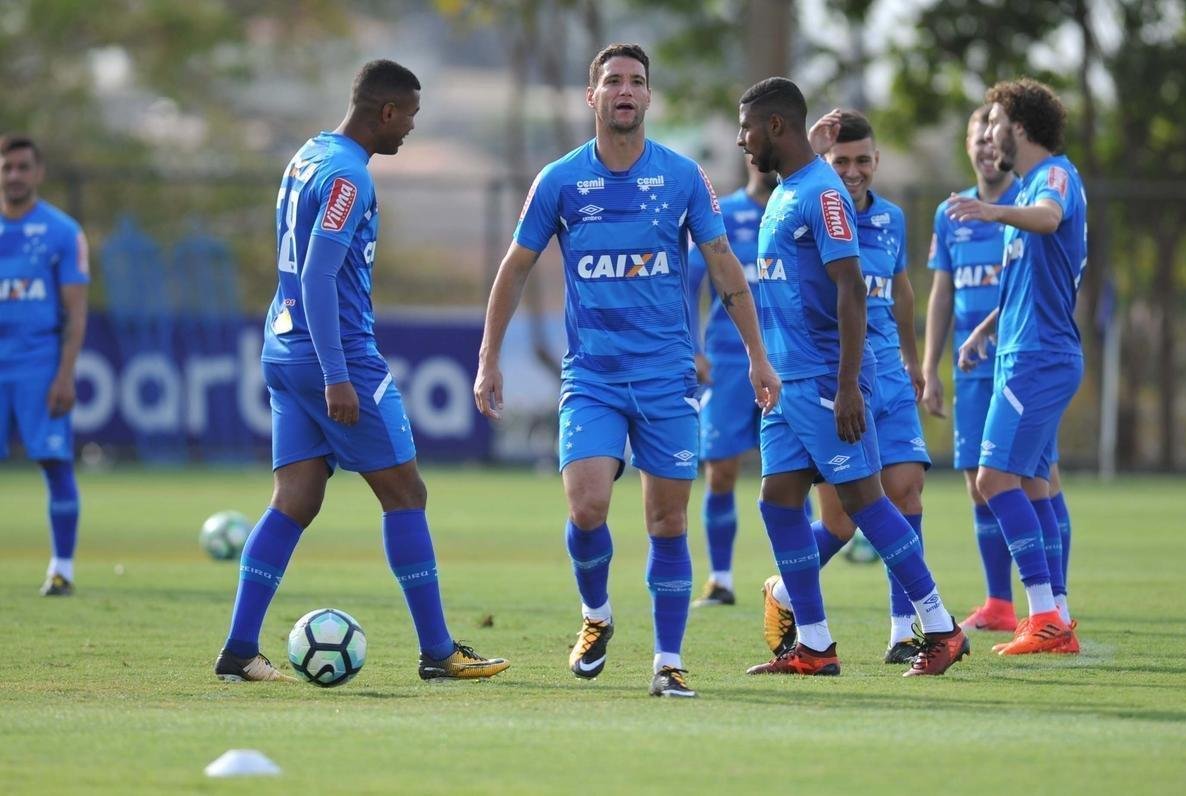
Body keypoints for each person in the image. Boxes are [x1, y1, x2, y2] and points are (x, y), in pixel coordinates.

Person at [474, 44, 780, 698]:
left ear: (648, 98)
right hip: (592, 377)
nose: (624, 90)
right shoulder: (559, 180)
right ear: (592, 97)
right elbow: (515, 267)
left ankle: (668, 662)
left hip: (669, 378)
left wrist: (757, 355)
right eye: (612, 80)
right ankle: (596, 615)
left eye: (636, 82)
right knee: (587, 507)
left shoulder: (682, 177)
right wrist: (487, 358)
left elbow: (724, 262)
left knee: (667, 522)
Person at [214, 59, 509, 683]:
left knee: (294, 500)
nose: (409, 130)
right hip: (335, 355)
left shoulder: (309, 155)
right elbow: (320, 275)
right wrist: (337, 374)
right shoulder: (351, 178)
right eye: (409, 116)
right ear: (385, 112)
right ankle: (438, 652)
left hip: (282, 346)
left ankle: (240, 649)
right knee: (407, 494)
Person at [735, 77, 967, 678]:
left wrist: (844, 387)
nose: (742, 139)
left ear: (776, 128)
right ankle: (814, 644)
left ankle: (940, 627)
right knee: (779, 501)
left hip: (820, 378)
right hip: (784, 384)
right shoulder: (787, 189)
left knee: (865, 501)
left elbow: (852, 289)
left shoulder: (822, 193)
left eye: (749, 127)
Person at [760, 110, 933, 664]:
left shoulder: (893, 220)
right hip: (832, 377)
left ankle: (906, 630)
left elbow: (899, 291)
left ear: (877, 162)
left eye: (863, 161)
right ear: (827, 163)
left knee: (901, 491)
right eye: (842, 161)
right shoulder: (816, 203)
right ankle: (790, 597)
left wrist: (913, 358)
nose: (853, 171)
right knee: (839, 516)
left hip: (878, 376)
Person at [950, 77, 1086, 655]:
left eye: (998, 122)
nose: (990, 131)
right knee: (1031, 483)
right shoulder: (1031, 182)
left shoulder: (1051, 177)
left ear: (1021, 130)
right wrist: (984, 331)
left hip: (1039, 356)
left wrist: (991, 210)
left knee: (992, 480)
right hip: (1020, 351)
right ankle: (1055, 614)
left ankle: (1046, 617)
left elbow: (1050, 218)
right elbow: (1024, 284)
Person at [923, 106, 1022, 632]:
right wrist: (931, 365)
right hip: (969, 365)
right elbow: (942, 292)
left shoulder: (1026, 204)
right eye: (976, 137)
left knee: (1032, 479)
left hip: (1020, 361)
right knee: (976, 481)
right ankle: (1000, 603)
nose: (985, 146)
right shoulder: (951, 212)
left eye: (993, 136)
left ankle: (1053, 601)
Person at [686, 157, 777, 608]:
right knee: (719, 471)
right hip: (726, 360)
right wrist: (694, 345)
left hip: (784, 360)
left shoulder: (799, 205)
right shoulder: (723, 213)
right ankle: (720, 579)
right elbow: (690, 282)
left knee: (789, 472)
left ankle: (790, 581)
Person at [0, 135, 89, 597]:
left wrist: (64, 374)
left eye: (21, 167)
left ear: (37, 173)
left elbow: (75, 310)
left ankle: (63, 568)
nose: (13, 175)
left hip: (38, 366)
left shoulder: (62, 231)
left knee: (55, 463)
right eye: (6, 167)